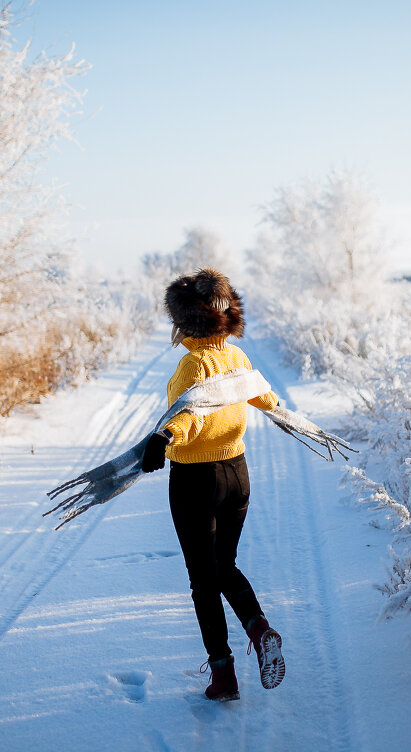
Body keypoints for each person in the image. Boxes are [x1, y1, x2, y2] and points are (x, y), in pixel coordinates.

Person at [140, 267, 286, 701]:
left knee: (203, 579)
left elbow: (189, 412)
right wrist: (283, 412)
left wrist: (164, 437)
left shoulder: (193, 364)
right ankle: (259, 629)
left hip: (196, 481)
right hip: (237, 475)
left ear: (186, 321)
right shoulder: (236, 359)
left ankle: (223, 675)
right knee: (224, 565)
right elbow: (263, 394)